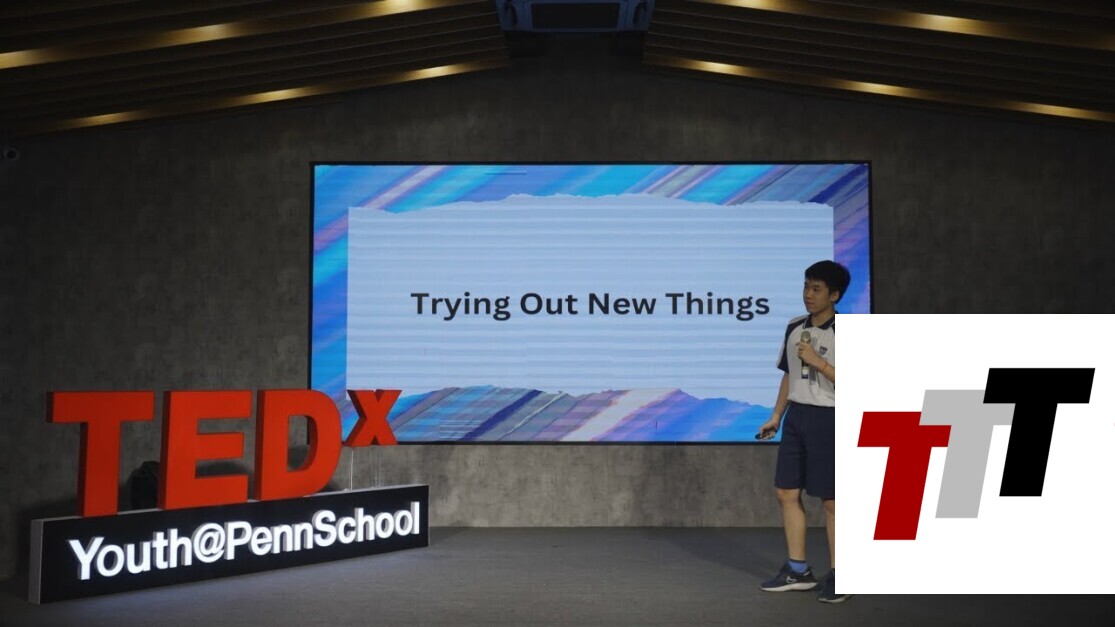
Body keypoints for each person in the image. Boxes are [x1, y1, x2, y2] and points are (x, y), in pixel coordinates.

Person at [756, 260, 850, 604]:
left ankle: (841, 575)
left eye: (817, 289)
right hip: (797, 416)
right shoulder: (795, 326)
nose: (808, 294)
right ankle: (798, 570)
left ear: (834, 295)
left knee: (832, 500)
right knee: (786, 492)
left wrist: (818, 362)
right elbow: (789, 375)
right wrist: (776, 416)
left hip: (831, 417)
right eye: (806, 286)